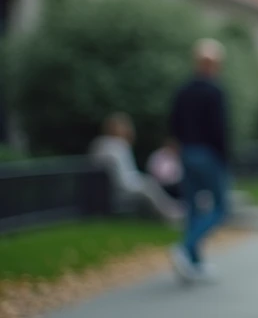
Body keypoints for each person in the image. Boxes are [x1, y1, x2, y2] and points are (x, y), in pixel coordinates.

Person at [168, 39, 229, 283]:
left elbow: (173, 122)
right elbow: (219, 129)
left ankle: (194, 262)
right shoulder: (214, 91)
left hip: (187, 152)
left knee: (193, 207)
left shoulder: (184, 89)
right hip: (208, 154)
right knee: (221, 208)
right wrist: (225, 157)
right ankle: (185, 248)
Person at [88, 113, 183, 223]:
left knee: (149, 183)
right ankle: (172, 215)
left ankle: (173, 211)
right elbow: (125, 178)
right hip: (121, 190)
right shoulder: (119, 146)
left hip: (104, 190)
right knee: (150, 185)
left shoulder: (99, 144)